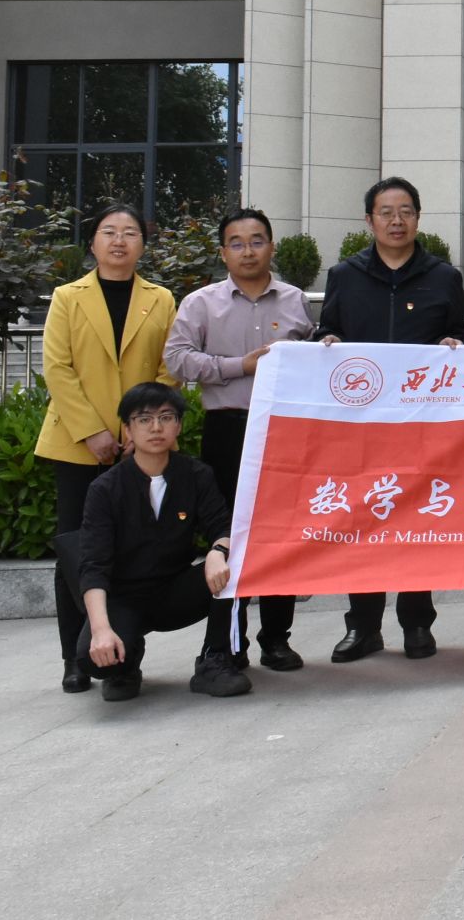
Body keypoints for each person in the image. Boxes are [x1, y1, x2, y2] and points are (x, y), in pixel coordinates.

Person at [316, 176, 464, 663]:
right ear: (369, 220)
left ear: (418, 218)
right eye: (386, 212)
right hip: (361, 427)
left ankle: (417, 624)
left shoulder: (443, 277)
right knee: (363, 522)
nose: (396, 221)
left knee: (418, 523)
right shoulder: (345, 275)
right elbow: (328, 330)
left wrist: (453, 346)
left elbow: (460, 336)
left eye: (406, 211)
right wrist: (328, 343)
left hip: (423, 426)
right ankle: (363, 627)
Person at [35, 201, 182, 694]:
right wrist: (93, 430)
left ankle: (125, 652)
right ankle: (74, 657)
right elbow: (58, 368)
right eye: (108, 231)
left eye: (130, 232)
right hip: (78, 444)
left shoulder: (161, 299)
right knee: (77, 550)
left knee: (133, 548)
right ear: (93, 242)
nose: (119, 241)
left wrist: (137, 428)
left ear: (143, 244)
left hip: (142, 446)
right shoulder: (67, 297)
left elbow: (169, 368)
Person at [162, 206, 314, 672]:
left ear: (272, 246)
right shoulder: (201, 303)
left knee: (282, 534)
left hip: (284, 431)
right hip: (227, 429)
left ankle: (277, 639)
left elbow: (316, 359)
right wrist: (238, 366)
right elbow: (176, 359)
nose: (248, 251)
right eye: (237, 243)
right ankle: (230, 641)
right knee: (230, 532)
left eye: (257, 241)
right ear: (223, 252)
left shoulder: (295, 300)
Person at [75, 382, 250, 701]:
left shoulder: (196, 474)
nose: (156, 428)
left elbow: (222, 526)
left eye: (166, 417)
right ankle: (126, 664)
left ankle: (214, 660)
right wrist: (101, 630)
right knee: (93, 661)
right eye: (144, 419)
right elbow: (94, 565)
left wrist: (217, 551)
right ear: (128, 429)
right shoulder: (105, 489)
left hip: (175, 593)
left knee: (235, 564)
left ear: (178, 426)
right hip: (124, 598)